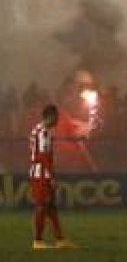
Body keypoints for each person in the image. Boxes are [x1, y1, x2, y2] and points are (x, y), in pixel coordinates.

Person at [30, 105, 76, 250]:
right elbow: (44, 157)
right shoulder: (44, 133)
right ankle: (38, 241)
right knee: (42, 205)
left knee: (50, 206)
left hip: (39, 172)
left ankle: (60, 239)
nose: (58, 120)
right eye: (56, 117)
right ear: (50, 116)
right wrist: (51, 177)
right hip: (42, 174)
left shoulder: (36, 129)